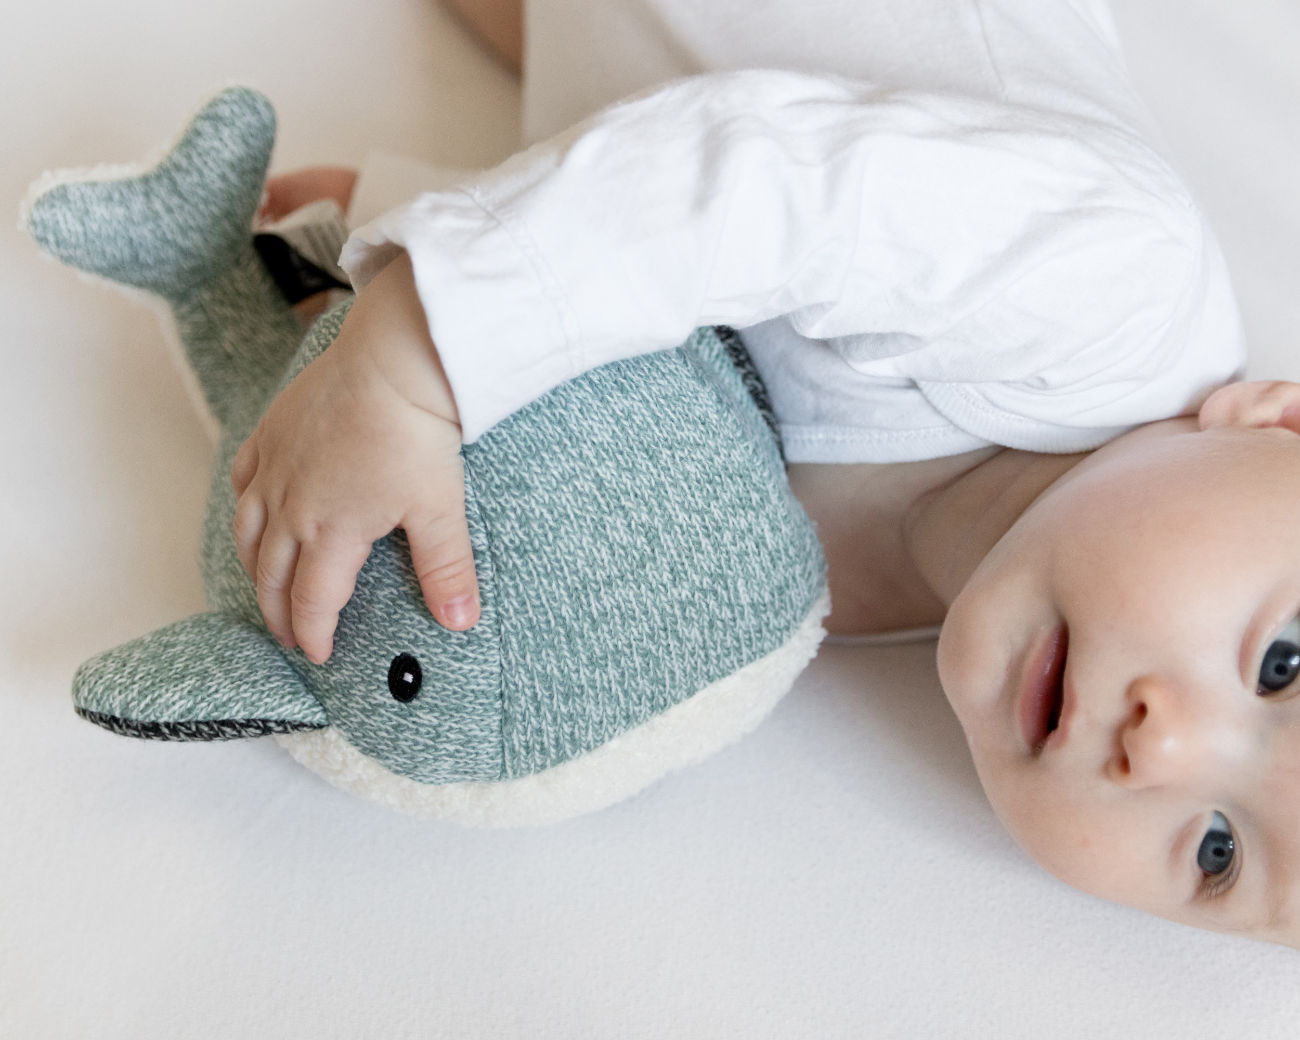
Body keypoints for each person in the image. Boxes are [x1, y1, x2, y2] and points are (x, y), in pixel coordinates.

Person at [230, 0, 1300, 945]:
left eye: (1218, 851)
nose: (1161, 747)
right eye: (1282, 663)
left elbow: (684, 364)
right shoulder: (1114, 282)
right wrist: (420, 343)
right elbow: (754, 181)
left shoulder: (862, 596)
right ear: (1280, 426)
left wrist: (415, 206)